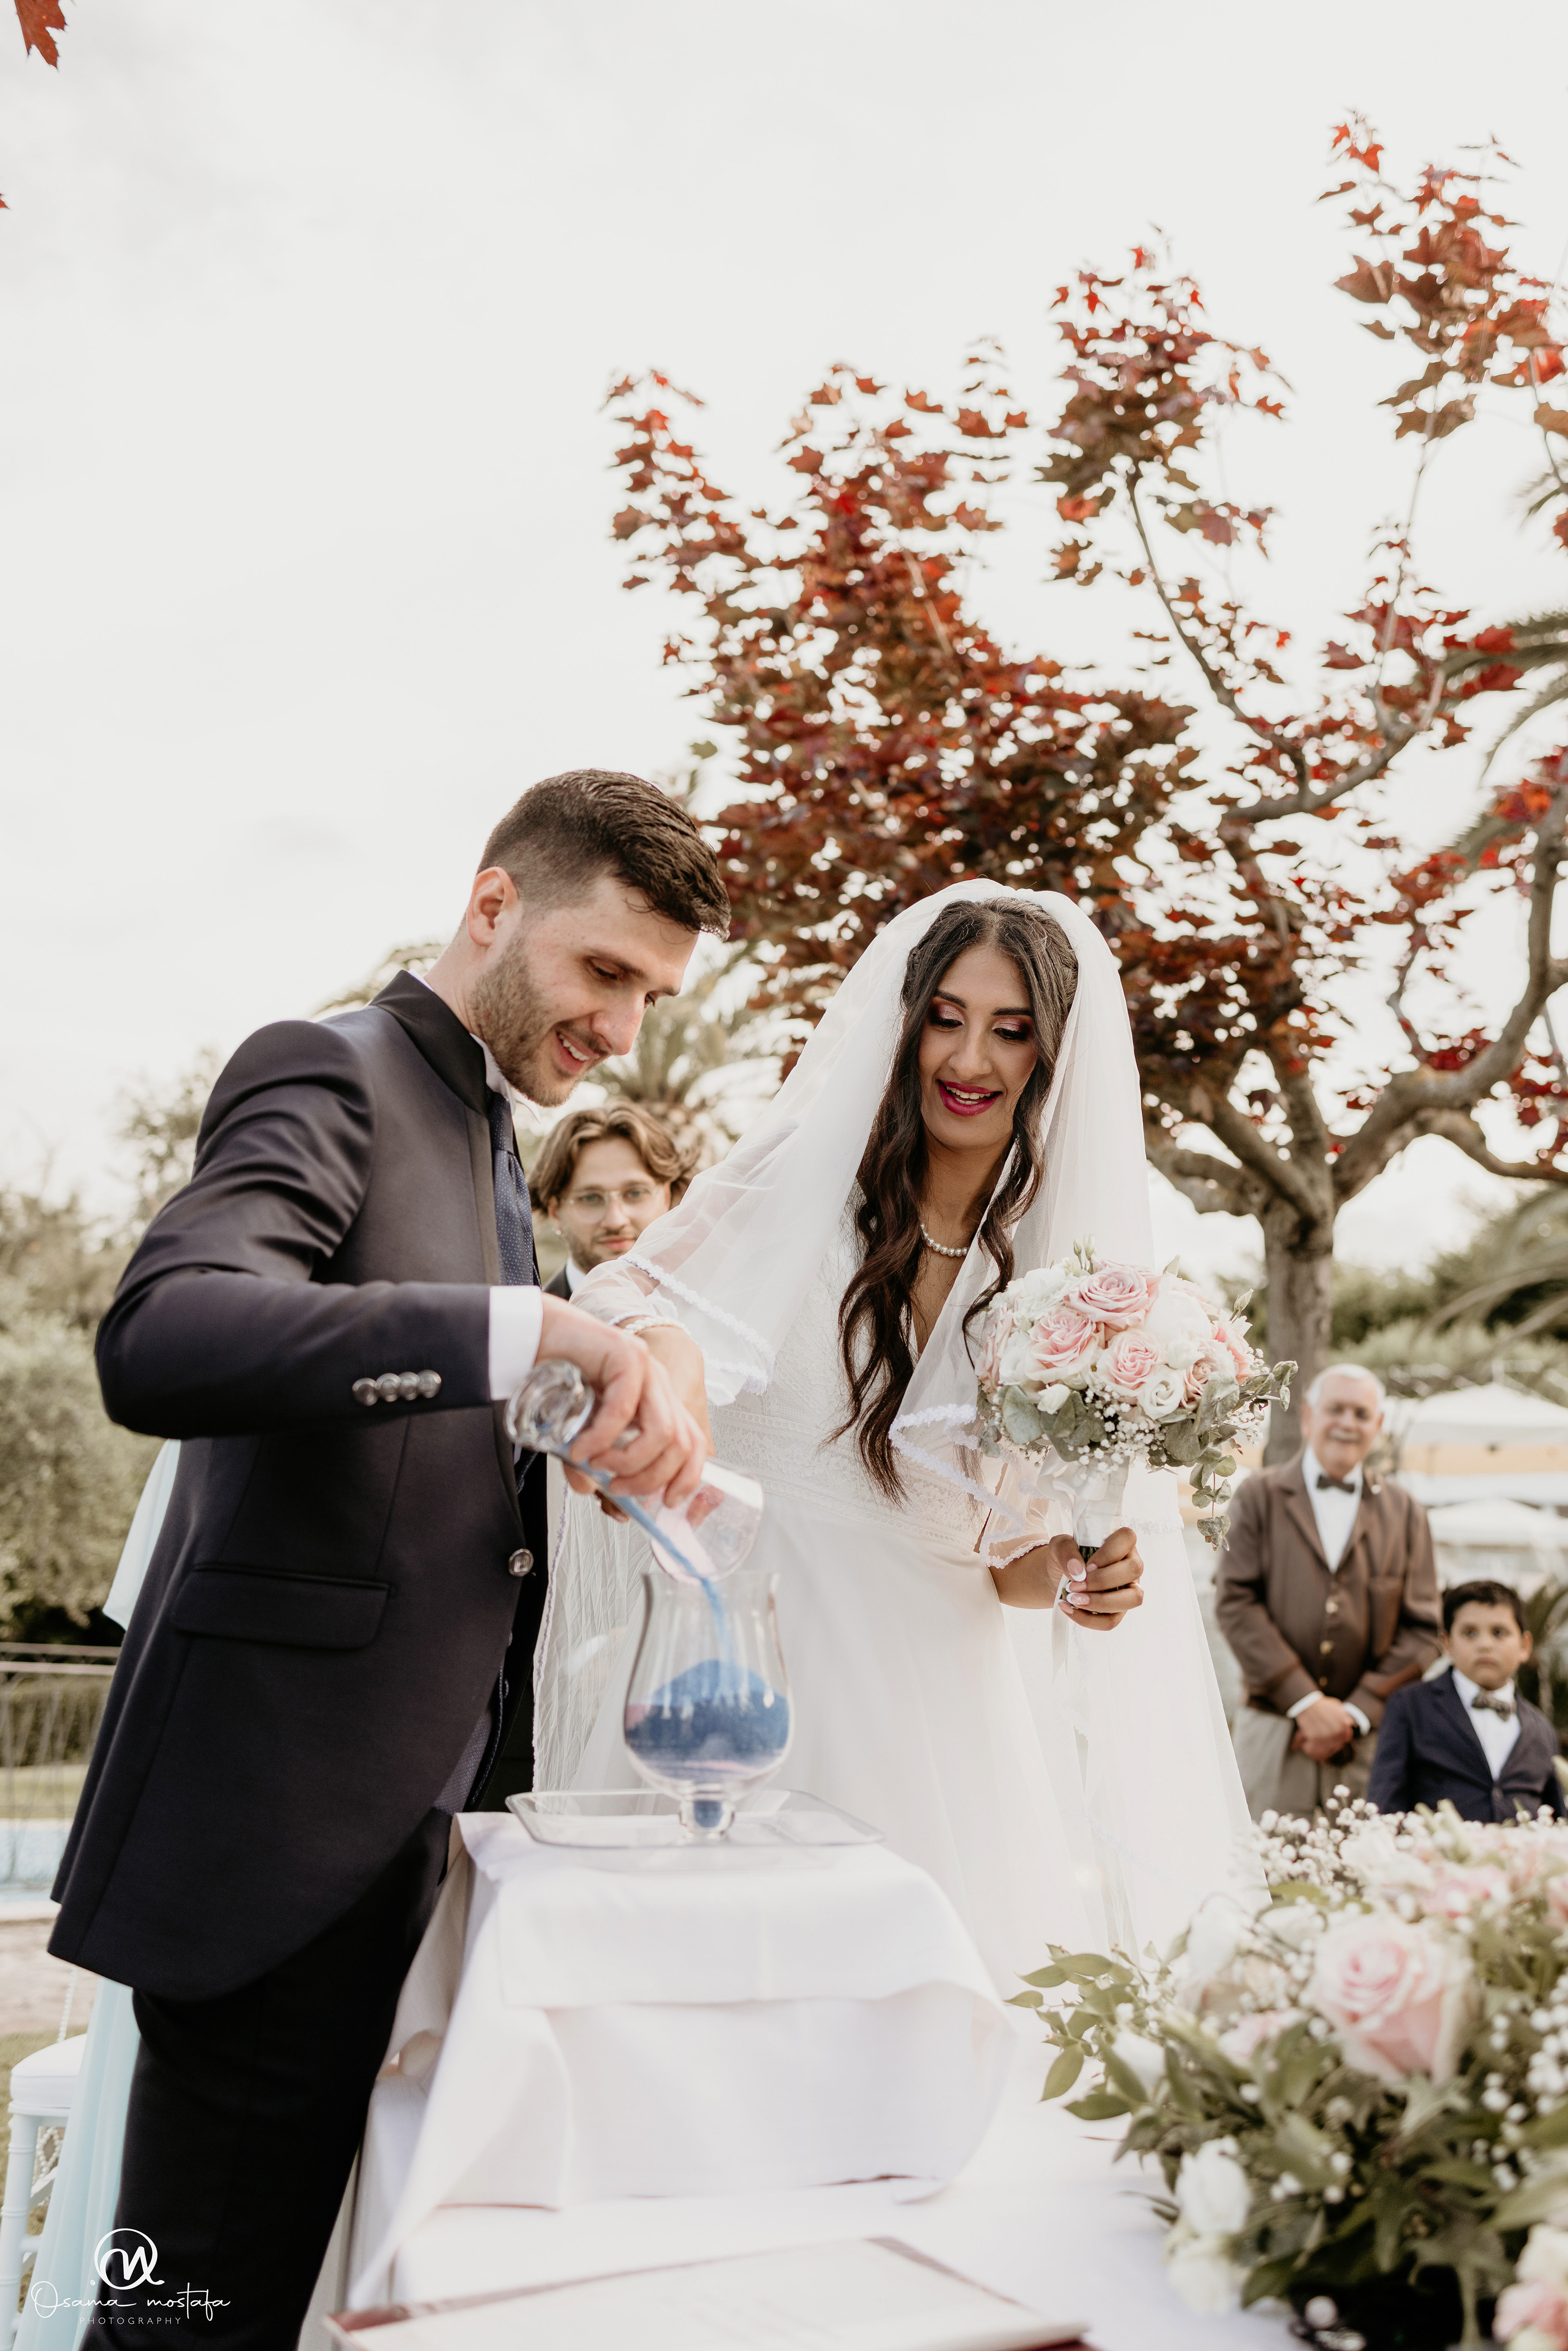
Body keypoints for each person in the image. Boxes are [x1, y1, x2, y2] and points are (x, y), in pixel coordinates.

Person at [53, 769, 728, 2350]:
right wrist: (529, 1326)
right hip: (272, 1836)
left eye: (655, 995)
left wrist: (575, 1405)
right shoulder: (330, 1069)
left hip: (396, 1833)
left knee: (277, 2292)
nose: (623, 1030)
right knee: (186, 2313)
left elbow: (395, 1423)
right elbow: (169, 1333)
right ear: (493, 902)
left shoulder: (490, 1124)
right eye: (603, 972)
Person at [536, 882, 1260, 1984]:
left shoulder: (1071, 1289)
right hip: (745, 1683)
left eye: (1012, 1029)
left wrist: (1071, 1572)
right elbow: (615, 1295)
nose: (969, 1056)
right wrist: (668, 1358)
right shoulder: (797, 1191)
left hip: (941, 1727)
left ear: (1052, 1058)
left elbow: (1006, 1557)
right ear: (907, 1018)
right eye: (946, 1016)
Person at [1216, 1362, 1443, 1821]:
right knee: (1264, 1880)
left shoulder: (1407, 1513)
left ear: (1377, 1426)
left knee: (1363, 1884)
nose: (1347, 1423)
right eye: (1335, 1409)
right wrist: (1305, 1702)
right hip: (1273, 1730)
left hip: (1369, 1741)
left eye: (1361, 1414)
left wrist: (1355, 1713)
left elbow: (1424, 1631)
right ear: (1308, 1416)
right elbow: (1236, 1604)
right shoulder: (1257, 1496)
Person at [1368, 1580, 1566, 1823]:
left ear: (1525, 1646)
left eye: (1499, 1633)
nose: (1485, 1645)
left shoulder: (1542, 1729)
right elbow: (1385, 1804)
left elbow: (1557, 1821)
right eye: (1469, 1633)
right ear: (1447, 1644)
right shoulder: (1410, 1707)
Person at [530, 1101, 693, 1297]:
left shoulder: (714, 1306)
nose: (616, 1221)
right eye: (590, 1198)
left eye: (636, 1193)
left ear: (666, 1197)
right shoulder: (529, 1326)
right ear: (555, 1212)